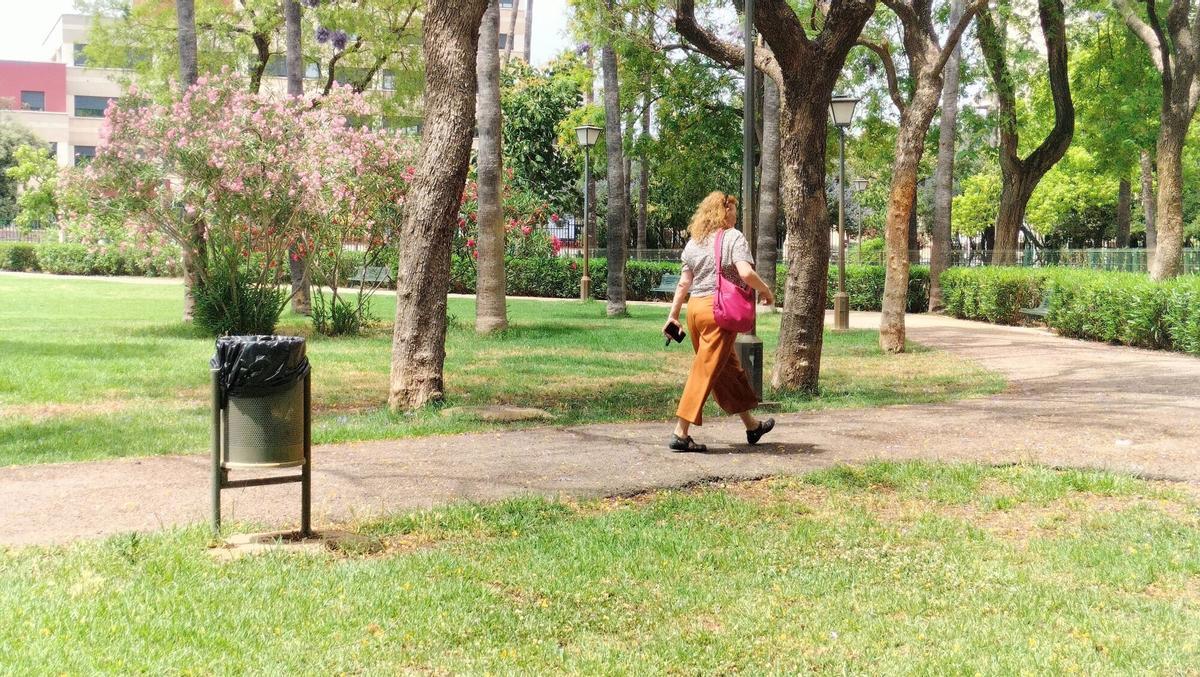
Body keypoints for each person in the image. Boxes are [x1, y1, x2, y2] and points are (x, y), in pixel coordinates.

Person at [663, 191, 776, 452]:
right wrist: (766, 290)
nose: (735, 217)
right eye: (733, 212)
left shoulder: (694, 242)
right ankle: (681, 432)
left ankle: (752, 426)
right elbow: (745, 272)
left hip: (695, 311)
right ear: (724, 213)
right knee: (704, 369)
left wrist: (673, 315)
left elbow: (684, 283)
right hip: (718, 312)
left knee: (726, 368)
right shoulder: (733, 237)